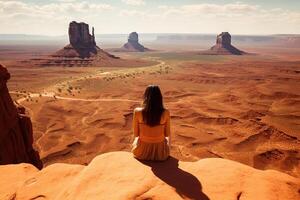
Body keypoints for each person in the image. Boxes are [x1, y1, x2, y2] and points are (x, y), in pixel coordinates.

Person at [131, 85, 170, 161]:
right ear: (159, 97)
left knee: (136, 140)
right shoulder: (166, 112)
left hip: (141, 153)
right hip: (160, 155)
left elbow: (136, 134)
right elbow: (167, 134)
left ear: (146, 96)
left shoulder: (137, 111)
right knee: (167, 139)